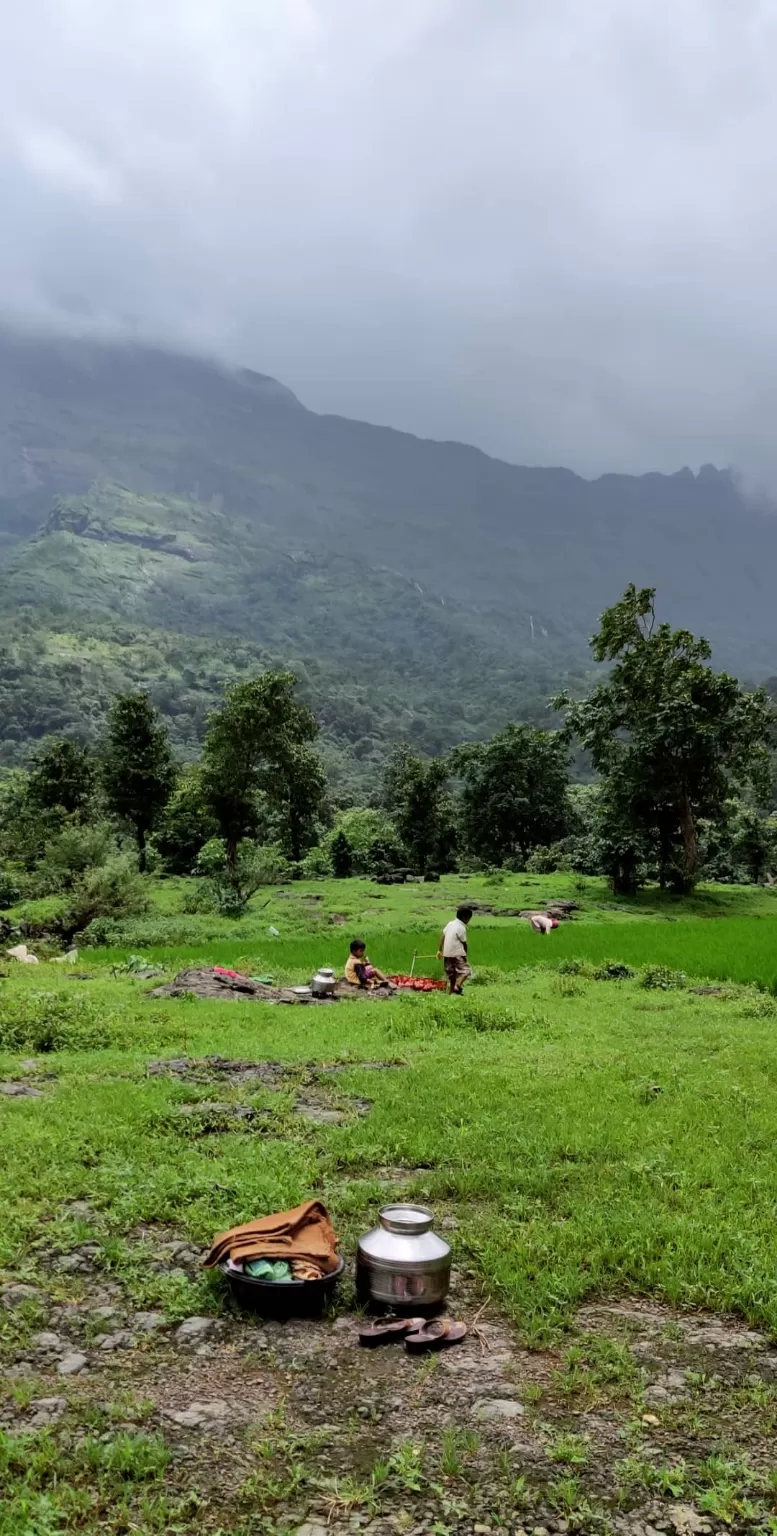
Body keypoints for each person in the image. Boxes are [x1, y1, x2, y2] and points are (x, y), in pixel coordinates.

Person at [437, 905, 473, 994]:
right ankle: (457, 986)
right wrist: (465, 955)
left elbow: (443, 936)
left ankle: (451, 992)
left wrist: (439, 950)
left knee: (451, 975)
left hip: (447, 954)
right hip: (457, 954)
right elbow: (464, 943)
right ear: (465, 918)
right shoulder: (461, 927)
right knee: (466, 971)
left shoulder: (450, 924)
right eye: (469, 919)